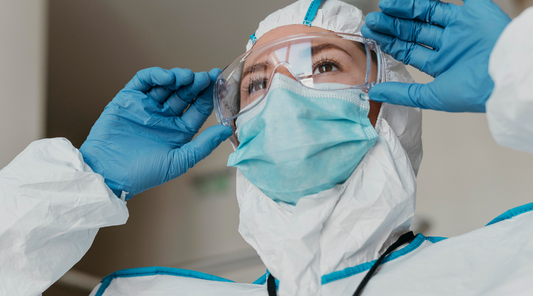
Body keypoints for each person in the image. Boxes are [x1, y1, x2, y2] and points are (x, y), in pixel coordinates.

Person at [0, 1, 532, 296]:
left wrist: (520, 68)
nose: (284, 93)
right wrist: (81, 183)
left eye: (323, 66)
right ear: (238, 126)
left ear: (386, 102)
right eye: (256, 83)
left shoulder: (511, 261)